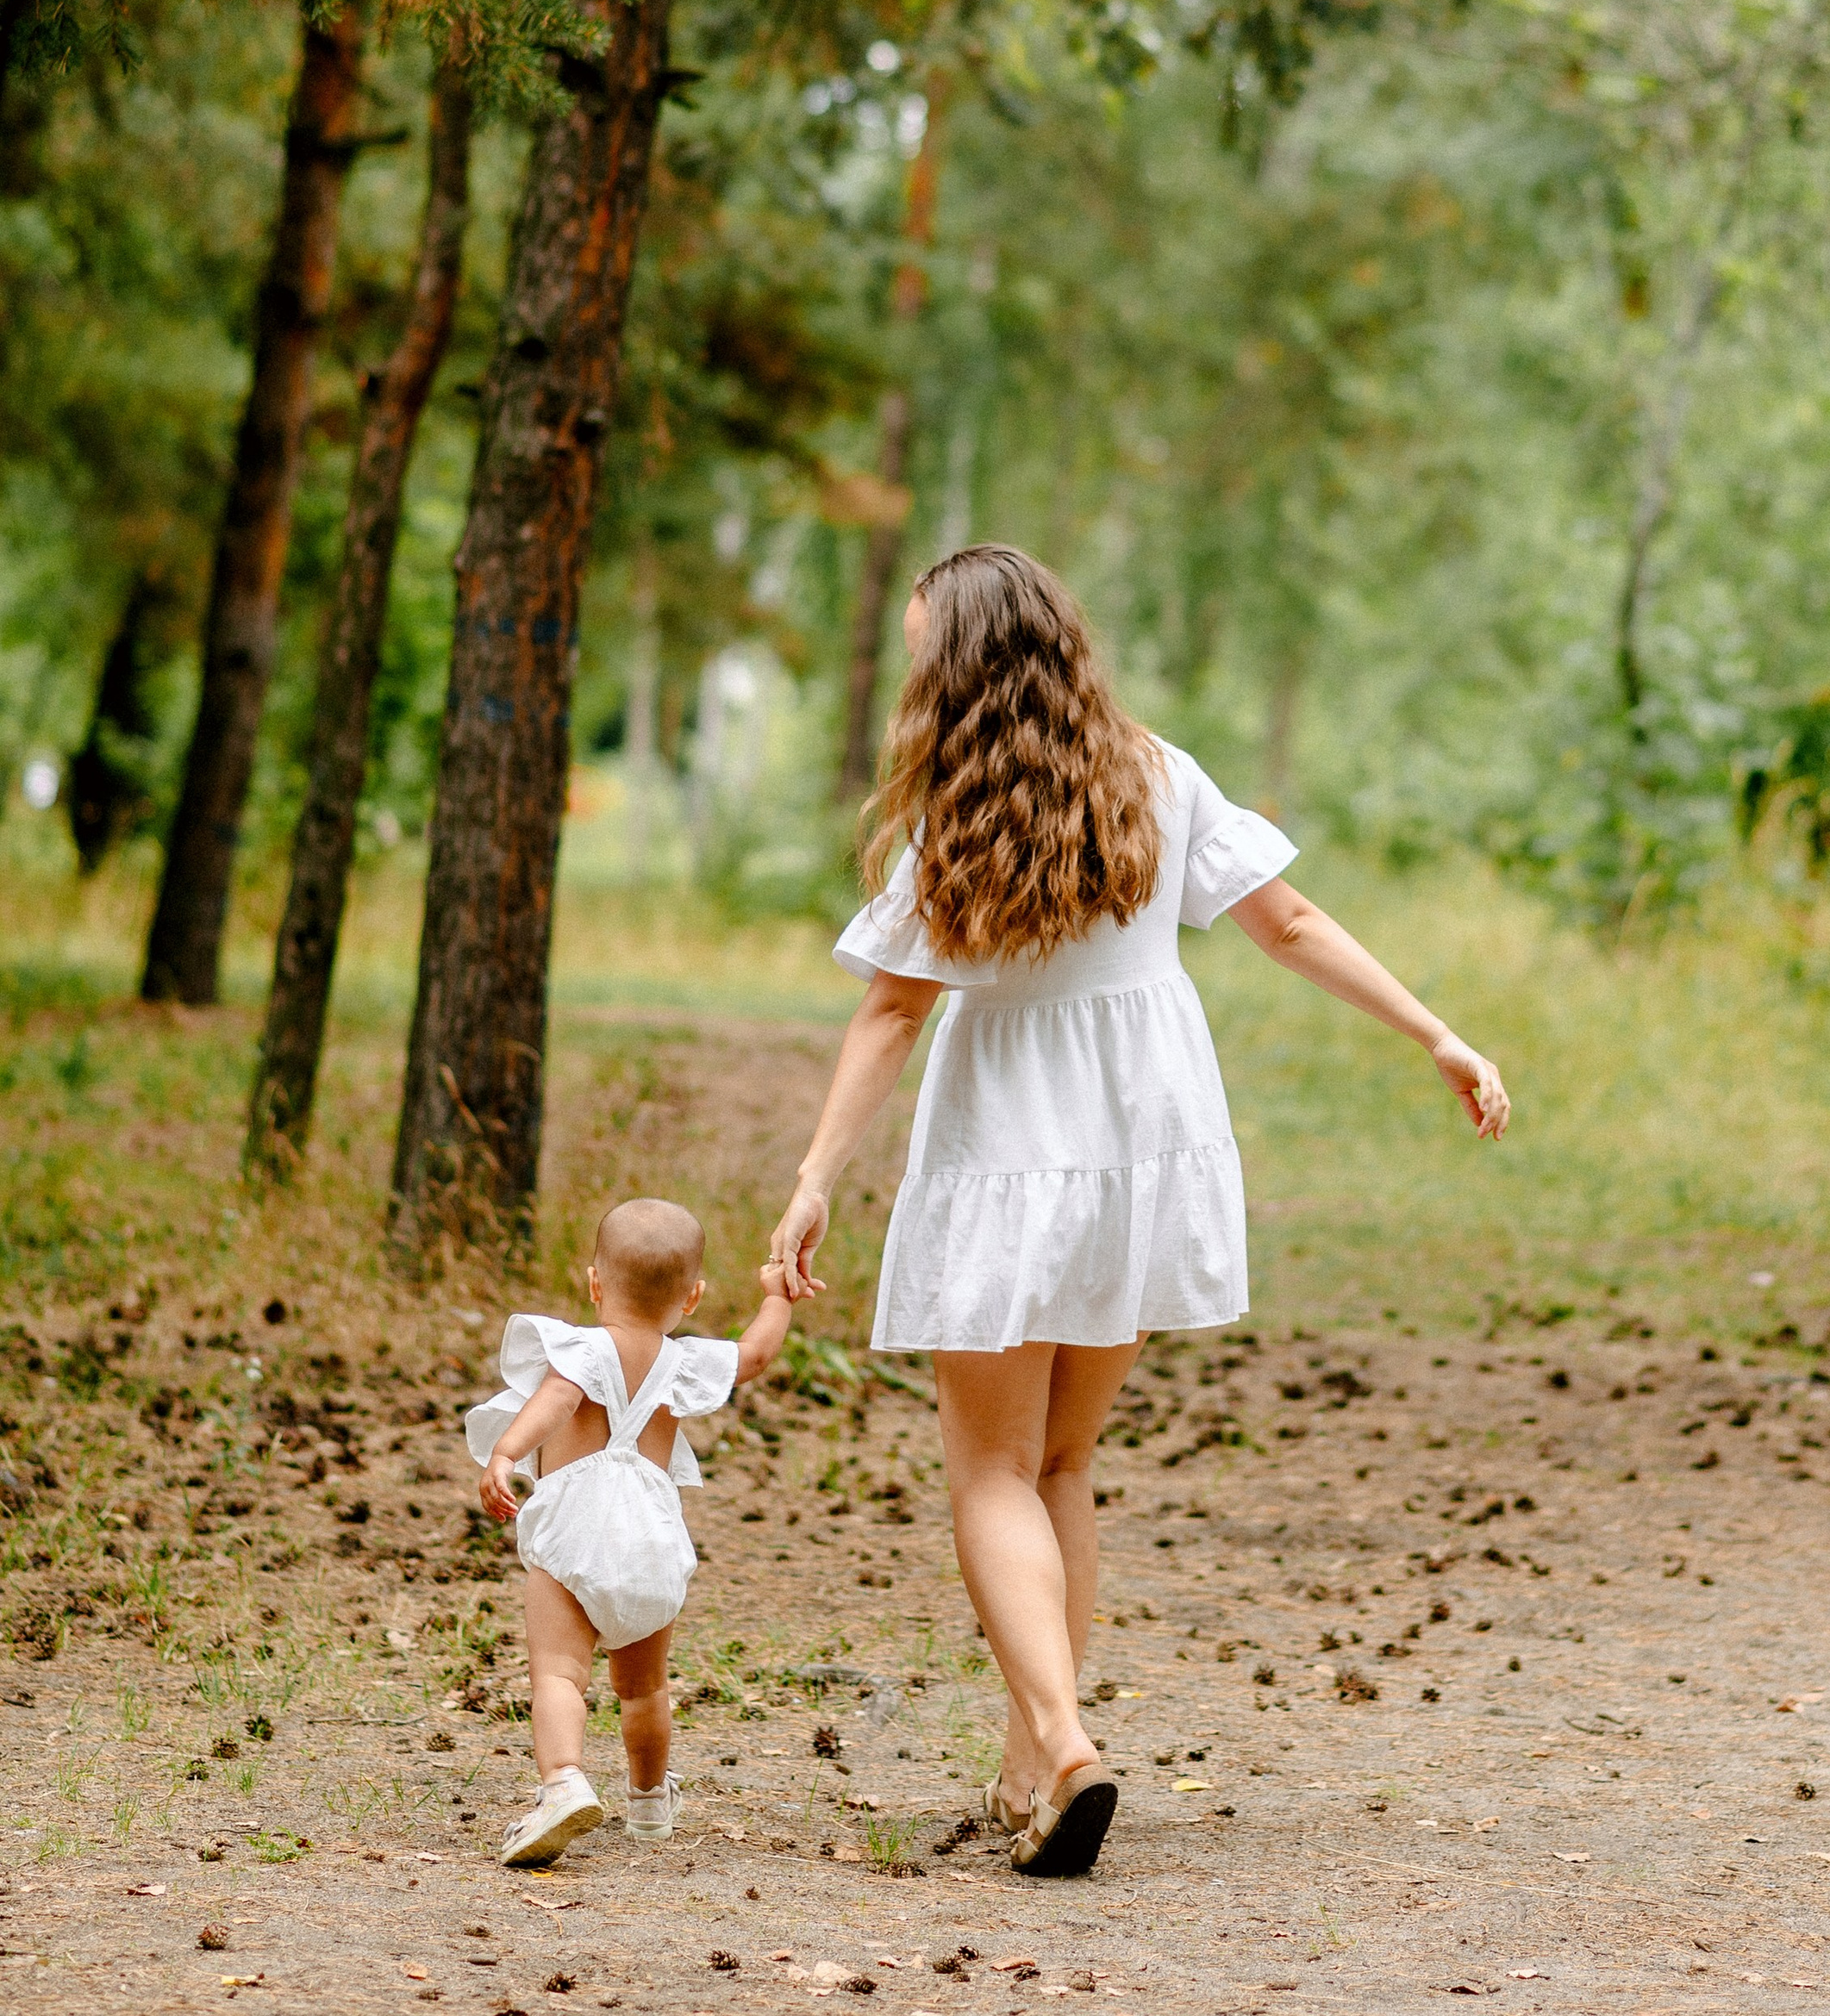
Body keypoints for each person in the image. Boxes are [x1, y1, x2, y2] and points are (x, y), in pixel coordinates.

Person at [765, 544, 1509, 1882]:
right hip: (1146, 1153)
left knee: (991, 1471)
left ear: (967, 667)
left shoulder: (958, 812)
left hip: (1009, 1153)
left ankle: (1058, 1743)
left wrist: (816, 1175)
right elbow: (1285, 924)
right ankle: (1025, 1764)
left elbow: (892, 1007)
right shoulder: (1157, 774)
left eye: (924, 647)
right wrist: (1435, 1032)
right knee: (1061, 1466)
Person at [469, 1196, 792, 1869]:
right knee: (643, 1687)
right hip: (649, 1537)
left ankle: (562, 1782)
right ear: (694, 1297)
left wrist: (505, 1454)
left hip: (574, 1533)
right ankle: (648, 1802)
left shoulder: (582, 1350)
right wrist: (776, 1294)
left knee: (558, 1672)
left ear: (594, 1284)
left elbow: (555, 1402)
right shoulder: (683, 1363)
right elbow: (757, 1355)